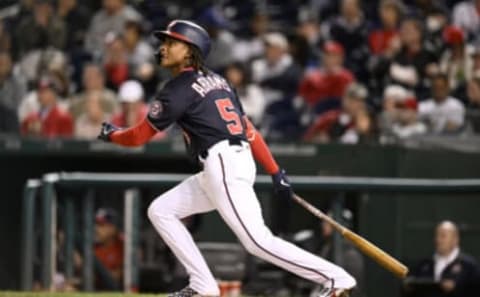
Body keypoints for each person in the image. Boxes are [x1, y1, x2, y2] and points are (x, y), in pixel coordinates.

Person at [98, 20, 355, 297]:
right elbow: (249, 130)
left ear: (190, 51)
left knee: (257, 241)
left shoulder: (179, 89)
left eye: (172, 43)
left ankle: (335, 278)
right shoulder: (220, 82)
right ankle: (202, 285)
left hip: (222, 163)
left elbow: (137, 137)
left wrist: (112, 134)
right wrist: (274, 170)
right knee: (161, 210)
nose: (164, 48)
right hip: (226, 162)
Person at [405, 221, 480, 297]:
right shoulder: (424, 264)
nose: (438, 240)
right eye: (436, 235)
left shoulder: (469, 265)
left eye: (443, 236)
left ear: (455, 239)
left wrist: (456, 288)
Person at [303, 83, 372, 144]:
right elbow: (307, 140)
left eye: (361, 101)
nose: (358, 104)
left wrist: (363, 131)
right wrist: (320, 141)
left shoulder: (369, 121)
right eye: (354, 100)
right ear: (345, 100)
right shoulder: (331, 118)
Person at [94, 208, 124, 290]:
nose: (96, 229)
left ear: (113, 228)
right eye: (96, 224)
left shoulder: (122, 248)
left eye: (102, 225)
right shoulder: (92, 247)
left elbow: (117, 277)